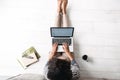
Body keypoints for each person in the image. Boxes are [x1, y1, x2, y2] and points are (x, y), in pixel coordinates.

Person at [44, 0, 80, 80]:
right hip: (66, 60)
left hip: (54, 60)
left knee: (56, 35)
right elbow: (74, 64)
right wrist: (67, 52)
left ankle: (58, 11)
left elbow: (47, 64)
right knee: (66, 36)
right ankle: (64, 12)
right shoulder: (74, 76)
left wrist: (53, 53)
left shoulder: (48, 75)